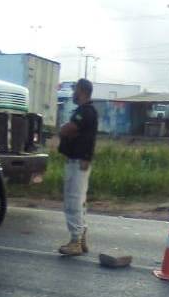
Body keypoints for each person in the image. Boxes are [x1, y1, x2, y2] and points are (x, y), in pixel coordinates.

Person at [57, 78, 98, 256]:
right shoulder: (85, 111)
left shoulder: (85, 112)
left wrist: (64, 129)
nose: (73, 93)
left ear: (81, 91)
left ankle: (76, 241)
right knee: (78, 201)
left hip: (78, 162)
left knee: (73, 202)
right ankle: (81, 237)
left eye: (75, 90)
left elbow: (69, 129)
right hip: (79, 161)